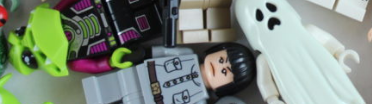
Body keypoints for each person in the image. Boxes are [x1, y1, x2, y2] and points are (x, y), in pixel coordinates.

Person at [82, 43, 256, 104]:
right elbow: (164, 51)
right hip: (139, 77)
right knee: (106, 88)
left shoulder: (199, 101)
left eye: (225, 71)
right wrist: (143, 53)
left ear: (227, 87)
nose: (218, 67)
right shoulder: (186, 54)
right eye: (221, 59)